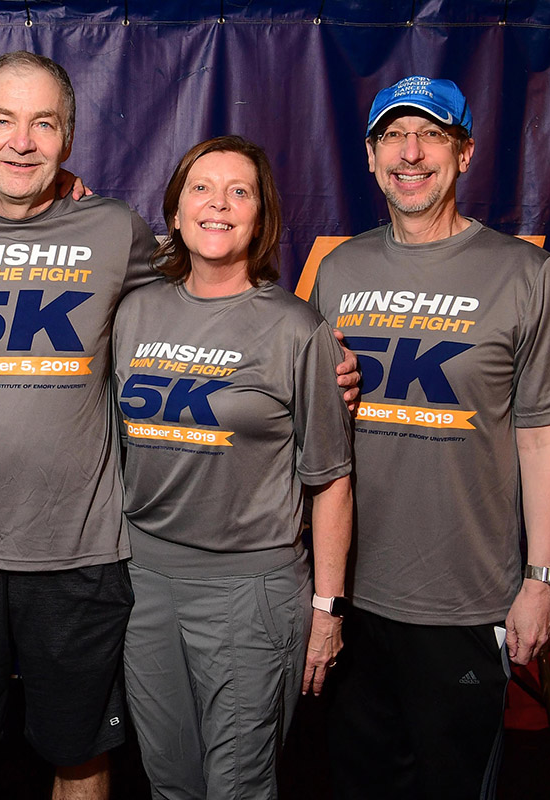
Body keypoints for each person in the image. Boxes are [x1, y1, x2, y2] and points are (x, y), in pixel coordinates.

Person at [0, 52, 359, 800]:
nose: (22, 141)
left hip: (85, 552)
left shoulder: (115, 230)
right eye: (2, 123)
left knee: (83, 752)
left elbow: (214, 288)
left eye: (43, 124)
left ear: (69, 138)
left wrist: (316, 352)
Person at [310, 76, 550, 800]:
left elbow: (544, 436)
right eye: (394, 136)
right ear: (370, 157)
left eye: (431, 134)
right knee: (357, 782)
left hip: (466, 603)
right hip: (354, 601)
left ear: (463, 153)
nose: (411, 152)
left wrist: (540, 580)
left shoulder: (527, 275)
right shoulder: (339, 272)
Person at [112, 135, 352, 800]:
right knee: (169, 783)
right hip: (146, 584)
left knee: (239, 786)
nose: (217, 204)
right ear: (176, 211)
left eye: (238, 191)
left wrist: (326, 610)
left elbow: (331, 479)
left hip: (251, 592)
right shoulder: (134, 311)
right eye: (200, 188)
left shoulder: (297, 329)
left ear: (261, 216)